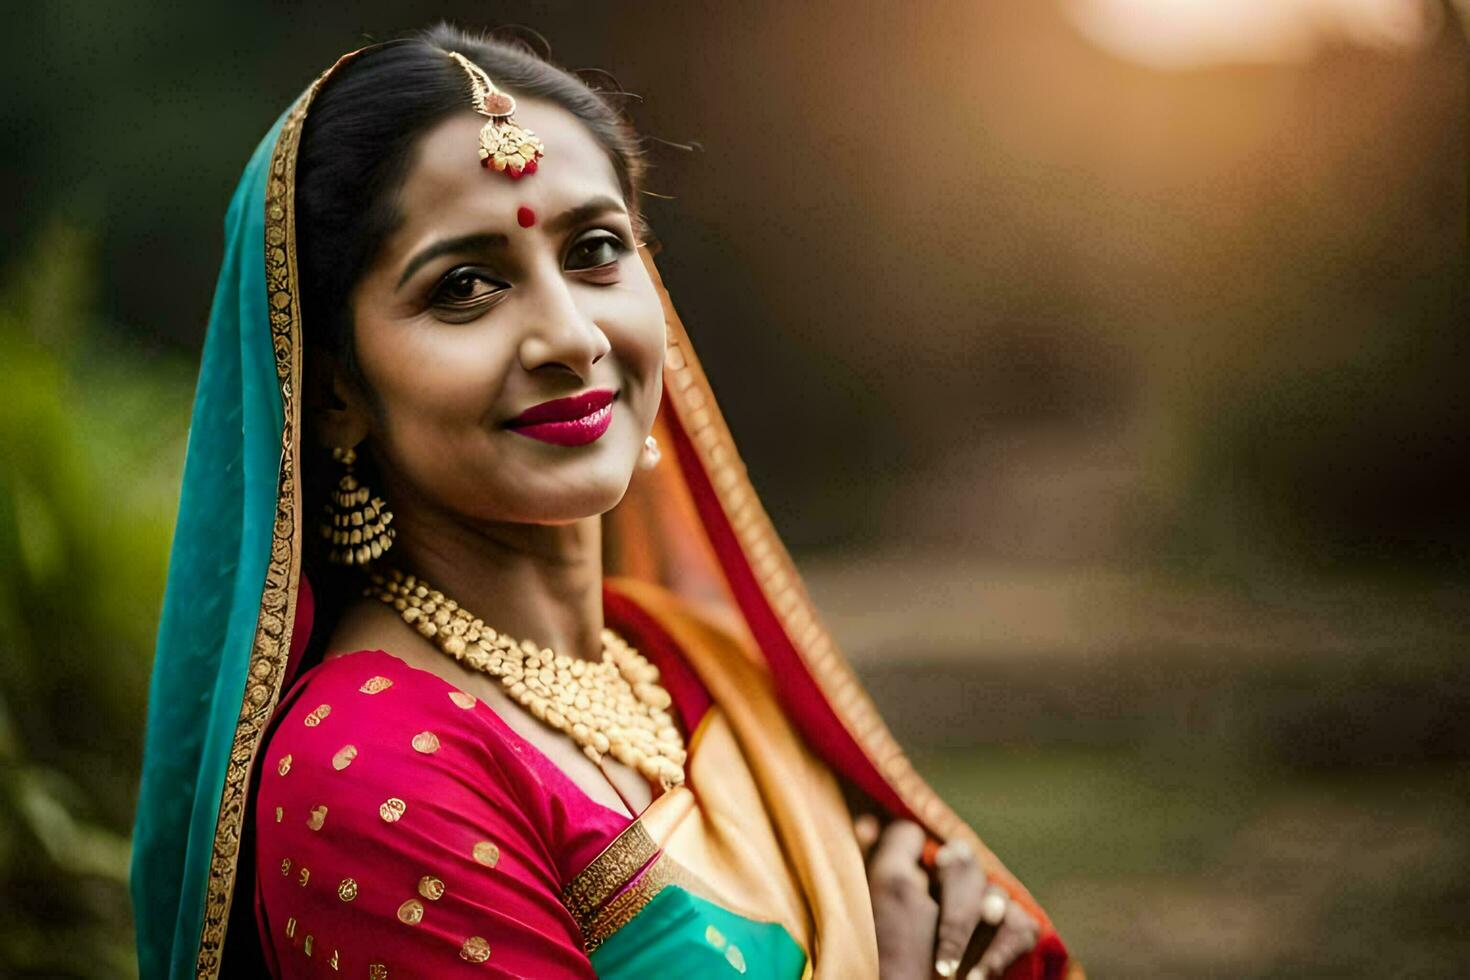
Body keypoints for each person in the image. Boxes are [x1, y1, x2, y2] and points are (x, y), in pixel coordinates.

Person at [129, 25, 1080, 980]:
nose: (572, 336)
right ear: (333, 392)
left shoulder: (687, 662)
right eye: (465, 285)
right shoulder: (370, 767)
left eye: (594, 250)